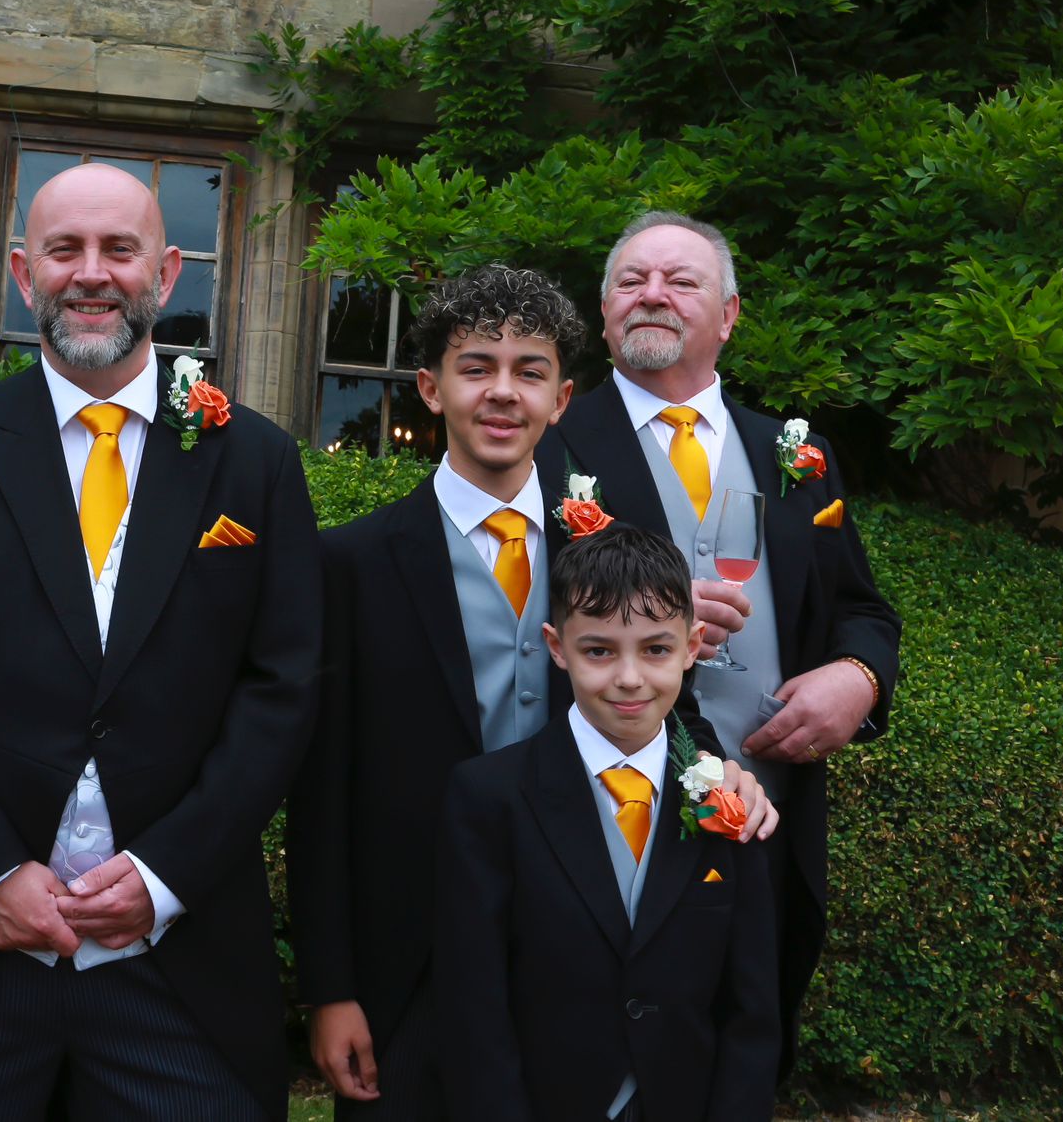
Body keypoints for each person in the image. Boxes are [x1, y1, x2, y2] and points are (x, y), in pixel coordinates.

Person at [0, 162, 322, 1120]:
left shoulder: (255, 462)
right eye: (64, 250)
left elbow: (283, 685)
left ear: (166, 273)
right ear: (25, 274)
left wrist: (166, 875)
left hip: (176, 968)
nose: (92, 273)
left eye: (119, 249)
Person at [288, 265, 773, 1118]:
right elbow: (320, 790)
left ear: (562, 398)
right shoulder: (351, 565)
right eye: (476, 368)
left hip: (579, 958)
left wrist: (719, 773)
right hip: (408, 958)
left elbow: (666, 701)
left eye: (530, 371)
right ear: (431, 389)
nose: (503, 393)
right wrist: (331, 987)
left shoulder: (615, 552)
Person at [546, 211, 900, 1064]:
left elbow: (861, 607)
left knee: (747, 1050)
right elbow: (512, 622)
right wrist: (645, 619)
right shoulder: (547, 444)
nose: (652, 295)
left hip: (769, 823)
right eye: (631, 281)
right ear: (604, 312)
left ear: (729, 315)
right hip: (609, 821)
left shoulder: (797, 454)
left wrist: (857, 676)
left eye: (681, 281)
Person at [436, 524, 780, 1122]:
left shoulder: (729, 802)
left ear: (693, 645)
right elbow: (473, 1005)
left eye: (656, 650)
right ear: (557, 647)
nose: (629, 678)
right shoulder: (488, 798)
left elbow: (751, 1011)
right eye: (599, 651)